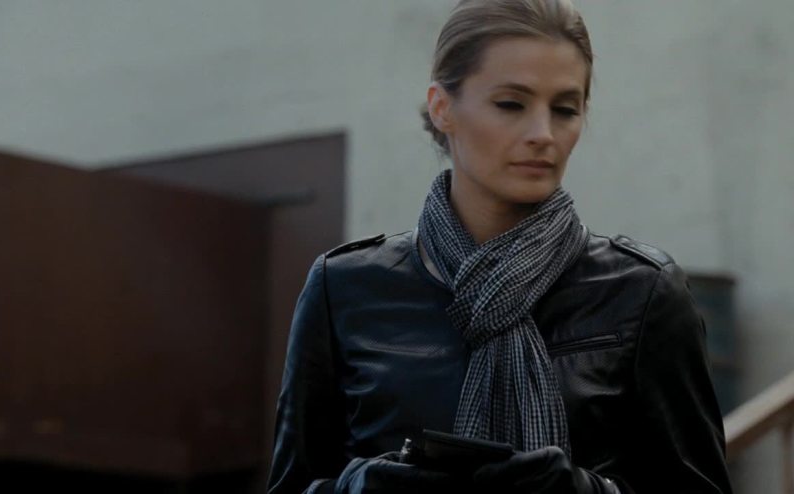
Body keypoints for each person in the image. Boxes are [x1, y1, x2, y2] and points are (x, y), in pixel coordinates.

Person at [267, 0, 733, 492]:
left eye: (565, 109)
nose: (543, 134)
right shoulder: (344, 288)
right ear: (442, 107)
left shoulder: (642, 293)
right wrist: (356, 487)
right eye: (511, 104)